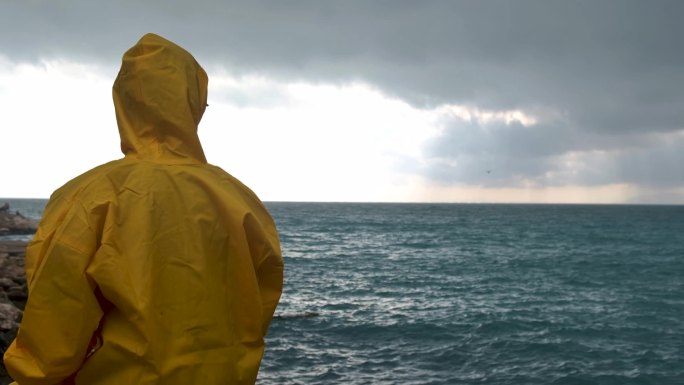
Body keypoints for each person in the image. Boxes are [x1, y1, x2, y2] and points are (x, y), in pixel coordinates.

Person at [3, 33, 284, 385]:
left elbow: (52, 334)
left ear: (123, 102)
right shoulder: (243, 202)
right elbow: (256, 310)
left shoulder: (89, 196)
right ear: (193, 103)